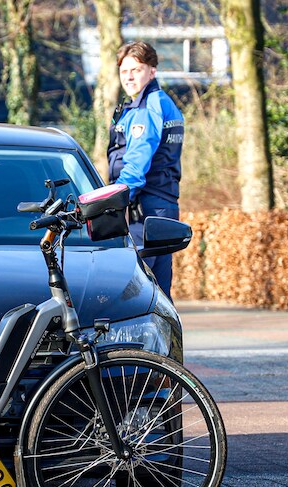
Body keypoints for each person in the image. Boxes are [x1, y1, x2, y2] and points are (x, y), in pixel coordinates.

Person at [107, 41, 185, 299]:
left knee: (137, 294)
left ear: (152, 70)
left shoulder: (147, 107)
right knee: (160, 292)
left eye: (136, 69)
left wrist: (112, 204)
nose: (129, 76)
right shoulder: (160, 102)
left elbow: (137, 164)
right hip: (161, 206)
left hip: (147, 209)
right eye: (124, 71)